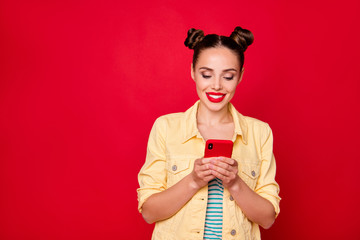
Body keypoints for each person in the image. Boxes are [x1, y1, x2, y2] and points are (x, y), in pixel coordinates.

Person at [137, 26, 281, 240]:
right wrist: (193, 181)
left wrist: (235, 183)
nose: (216, 86)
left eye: (228, 77)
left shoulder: (260, 133)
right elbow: (149, 213)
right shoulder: (166, 127)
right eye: (206, 74)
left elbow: (268, 218)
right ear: (193, 71)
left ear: (240, 76)